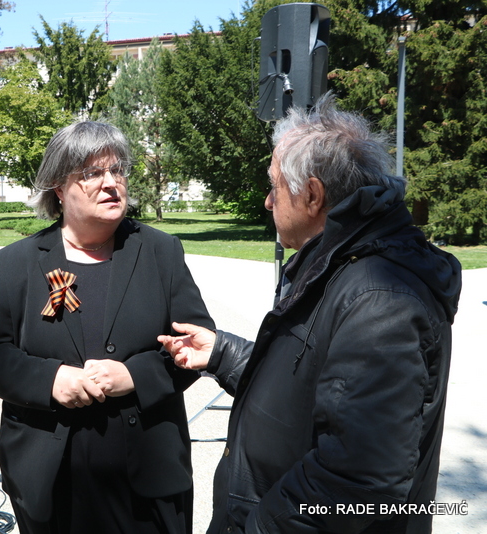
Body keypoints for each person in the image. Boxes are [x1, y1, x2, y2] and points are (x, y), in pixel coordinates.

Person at [158, 93, 462, 533]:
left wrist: (257, 528)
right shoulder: (338, 265)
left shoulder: (379, 298)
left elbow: (357, 481)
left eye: (275, 186)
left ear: (313, 195)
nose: (268, 202)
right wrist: (222, 353)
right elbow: (309, 391)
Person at [0, 121, 215, 534]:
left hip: (147, 484)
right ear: (59, 189)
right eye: (93, 173)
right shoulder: (16, 262)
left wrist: (134, 376)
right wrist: (51, 380)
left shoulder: (160, 251)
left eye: (117, 170)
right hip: (51, 485)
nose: (111, 183)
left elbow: (195, 343)